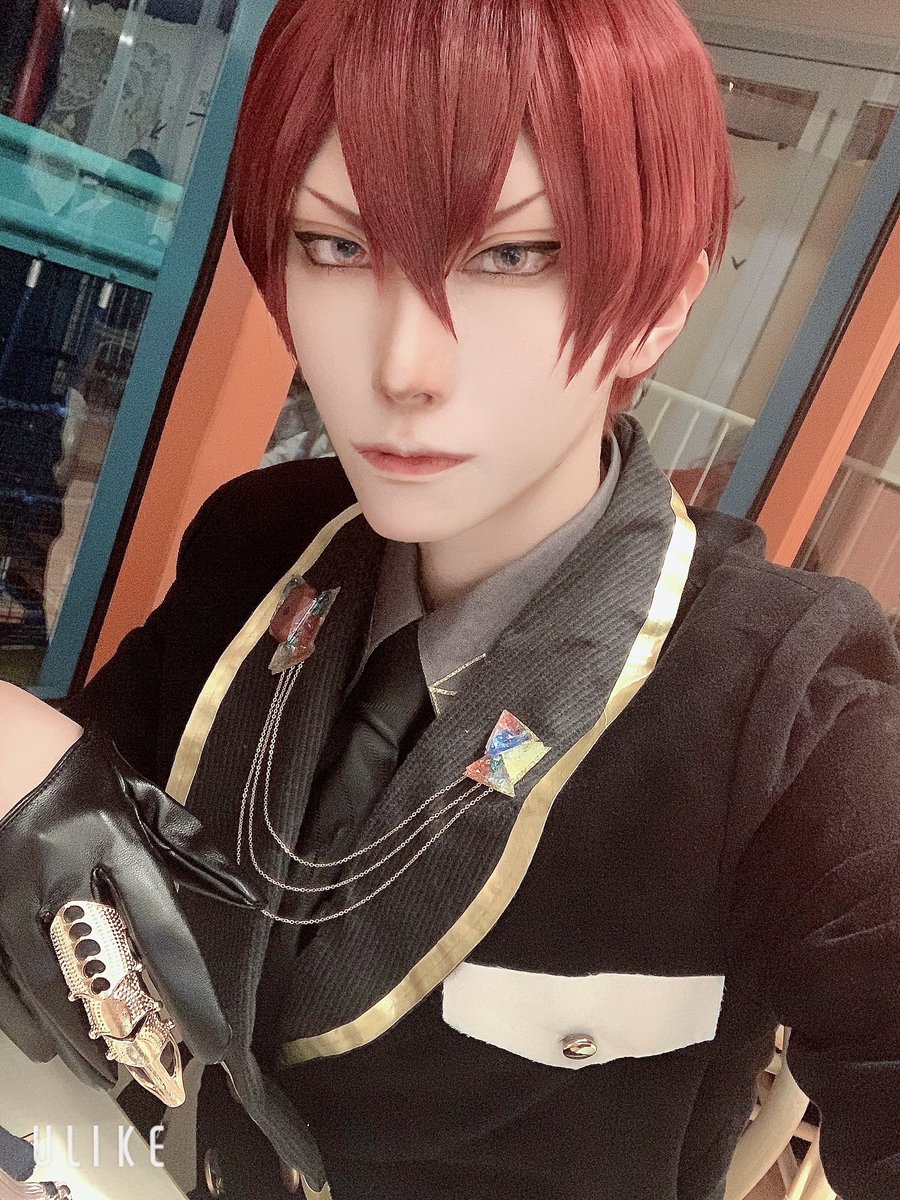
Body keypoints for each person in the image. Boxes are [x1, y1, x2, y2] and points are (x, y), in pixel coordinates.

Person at [1, 1, 899, 1198]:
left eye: (512, 256)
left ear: (662, 305)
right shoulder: (261, 546)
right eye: (336, 246)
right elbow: (81, 821)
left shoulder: (785, 720)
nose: (402, 368)